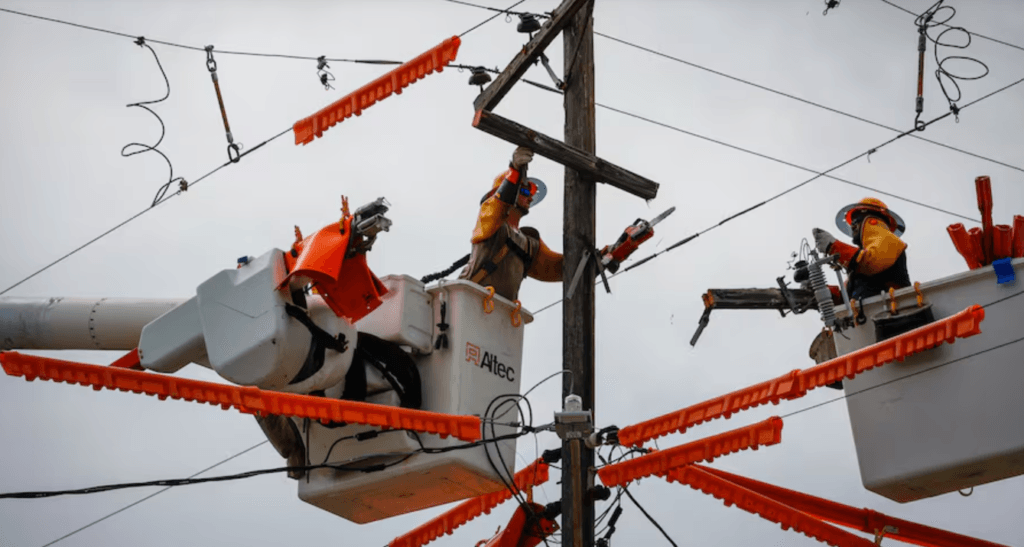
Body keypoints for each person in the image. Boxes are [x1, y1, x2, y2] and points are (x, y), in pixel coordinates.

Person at [459, 146, 563, 301]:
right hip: (466, 304)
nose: (530, 198)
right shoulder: (489, 222)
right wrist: (514, 171)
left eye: (532, 194)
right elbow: (497, 207)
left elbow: (558, 268)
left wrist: (603, 258)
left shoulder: (529, 244)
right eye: (525, 192)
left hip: (500, 315)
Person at [812, 197, 911, 300]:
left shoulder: (890, 241)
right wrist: (821, 293)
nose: (852, 226)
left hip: (897, 310)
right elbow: (849, 297)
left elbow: (872, 262)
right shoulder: (858, 265)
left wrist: (834, 246)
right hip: (873, 312)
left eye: (857, 220)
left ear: (872, 221)